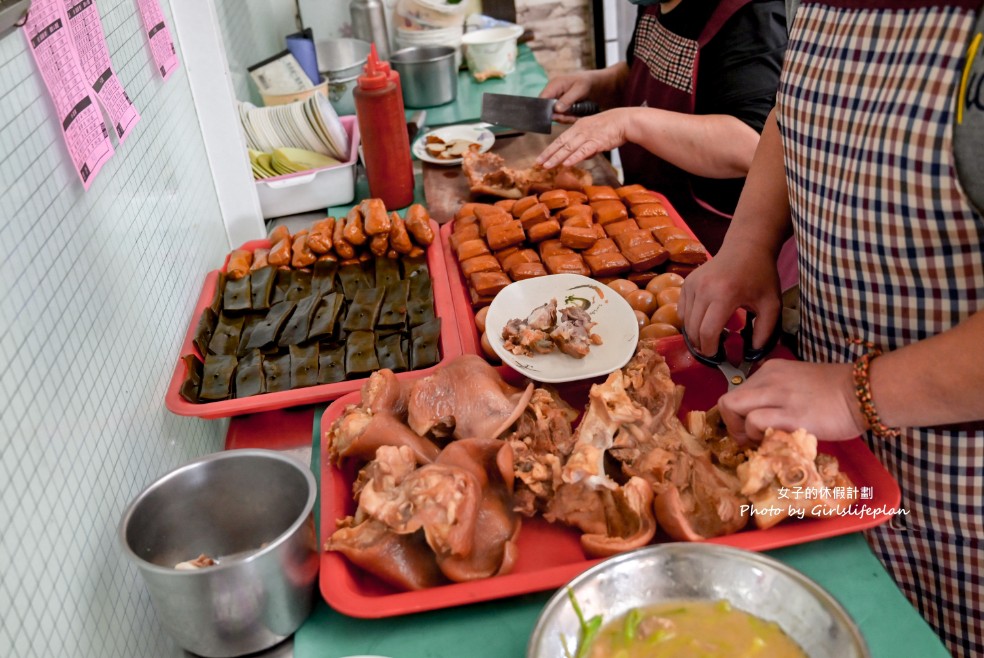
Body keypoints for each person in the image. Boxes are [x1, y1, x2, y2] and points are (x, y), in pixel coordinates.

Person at [678, 1, 984, 656]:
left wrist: (854, 393)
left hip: (961, 482)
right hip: (824, 437)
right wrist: (749, 240)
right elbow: (800, 105)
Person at [535, 0, 787, 252]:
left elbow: (750, 144)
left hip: (715, 239)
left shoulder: (751, 16)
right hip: (650, 210)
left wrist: (627, 122)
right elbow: (642, 71)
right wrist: (597, 84)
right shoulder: (654, 3)